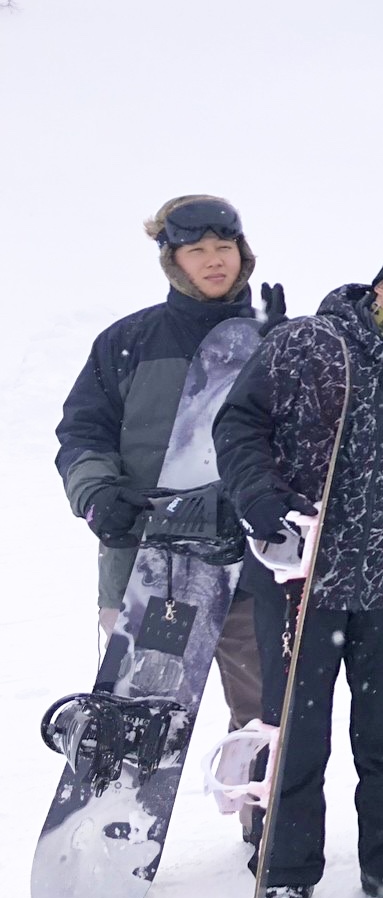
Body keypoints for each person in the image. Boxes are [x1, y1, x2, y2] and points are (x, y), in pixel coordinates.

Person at [214, 231, 383, 898]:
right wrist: (259, 497)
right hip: (299, 572)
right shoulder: (310, 340)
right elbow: (238, 423)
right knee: (295, 728)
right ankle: (283, 871)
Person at [55, 194, 278, 845]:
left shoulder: (273, 341)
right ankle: (112, 827)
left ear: (243, 254)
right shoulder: (129, 342)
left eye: (224, 246)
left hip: (249, 560)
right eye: (197, 248)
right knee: (138, 709)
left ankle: (263, 821)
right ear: (172, 258)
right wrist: (98, 495)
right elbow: (83, 432)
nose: (214, 260)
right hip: (148, 561)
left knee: (264, 706)